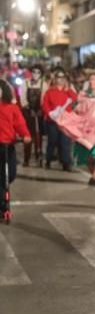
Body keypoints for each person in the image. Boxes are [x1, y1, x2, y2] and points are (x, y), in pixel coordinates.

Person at [0, 79, 31, 215]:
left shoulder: (11, 107)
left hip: (9, 145)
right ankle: (3, 207)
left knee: (10, 174)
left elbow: (20, 123)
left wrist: (25, 135)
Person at [41, 68, 77, 171]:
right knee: (52, 140)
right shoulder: (50, 91)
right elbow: (45, 105)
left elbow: (75, 99)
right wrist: (50, 114)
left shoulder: (69, 90)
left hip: (65, 121)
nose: (60, 79)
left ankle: (66, 163)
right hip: (52, 121)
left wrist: (68, 90)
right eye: (58, 77)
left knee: (65, 142)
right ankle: (48, 159)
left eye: (62, 77)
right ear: (55, 79)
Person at [20, 64, 47, 166]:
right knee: (28, 134)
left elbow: (44, 98)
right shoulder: (25, 83)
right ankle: (26, 158)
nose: (36, 74)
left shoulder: (43, 84)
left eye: (38, 72)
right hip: (28, 112)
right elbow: (22, 98)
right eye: (34, 72)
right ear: (31, 73)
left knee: (38, 135)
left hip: (39, 112)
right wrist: (28, 108)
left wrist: (41, 109)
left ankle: (38, 155)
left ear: (41, 74)